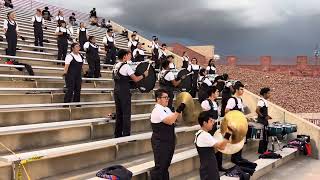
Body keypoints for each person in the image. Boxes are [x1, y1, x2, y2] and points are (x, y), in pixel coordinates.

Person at [150, 89, 186, 180]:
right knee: (160, 167)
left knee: (166, 166)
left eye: (168, 97)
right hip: (160, 142)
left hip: (168, 140)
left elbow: (176, 120)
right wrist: (178, 110)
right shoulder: (157, 110)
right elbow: (169, 121)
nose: (167, 99)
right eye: (165, 97)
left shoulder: (166, 109)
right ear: (158, 99)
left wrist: (180, 111)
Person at [112, 49, 149, 138]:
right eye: (129, 54)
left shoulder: (115, 65)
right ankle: (126, 135)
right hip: (124, 91)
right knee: (126, 114)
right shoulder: (126, 66)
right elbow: (135, 79)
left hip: (116, 90)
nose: (130, 56)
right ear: (124, 56)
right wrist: (144, 75)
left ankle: (117, 134)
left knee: (119, 113)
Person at [195, 111, 230, 180]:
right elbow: (221, 147)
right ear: (204, 123)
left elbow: (212, 149)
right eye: (211, 121)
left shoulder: (198, 133)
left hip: (206, 167)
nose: (213, 123)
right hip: (209, 169)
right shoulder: (205, 135)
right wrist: (228, 133)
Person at [225, 82, 246, 164]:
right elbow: (227, 111)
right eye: (241, 89)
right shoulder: (232, 100)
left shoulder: (240, 99)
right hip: (234, 124)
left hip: (240, 124)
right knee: (235, 141)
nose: (242, 91)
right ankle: (235, 159)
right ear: (236, 90)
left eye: (243, 89)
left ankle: (239, 157)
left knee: (240, 141)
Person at [256, 87, 272, 154]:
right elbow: (257, 110)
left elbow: (263, 111)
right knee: (263, 136)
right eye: (268, 93)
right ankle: (262, 151)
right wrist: (263, 117)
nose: (270, 94)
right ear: (264, 94)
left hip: (264, 121)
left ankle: (263, 150)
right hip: (262, 122)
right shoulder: (261, 101)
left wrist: (267, 116)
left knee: (265, 136)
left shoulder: (264, 101)